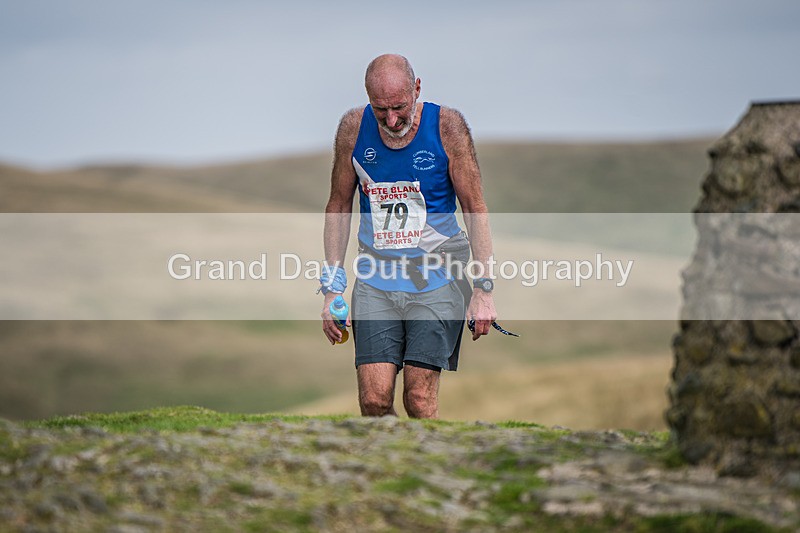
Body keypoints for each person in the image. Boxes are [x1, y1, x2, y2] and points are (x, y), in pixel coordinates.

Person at [320, 54, 497, 419]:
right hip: (376, 280)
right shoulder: (353, 130)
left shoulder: (447, 127)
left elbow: (474, 207)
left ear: (417, 89)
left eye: (400, 107)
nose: (392, 120)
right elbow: (339, 205)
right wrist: (333, 288)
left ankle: (426, 473)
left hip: (438, 276)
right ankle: (388, 472)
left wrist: (484, 289)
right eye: (380, 109)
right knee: (374, 401)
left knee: (417, 399)